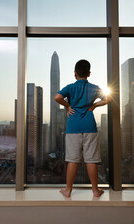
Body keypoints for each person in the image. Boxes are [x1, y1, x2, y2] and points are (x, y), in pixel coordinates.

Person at [54, 59, 112, 198]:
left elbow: (57, 97)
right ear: (89, 74)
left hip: (73, 127)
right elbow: (108, 99)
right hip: (89, 126)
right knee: (91, 160)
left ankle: (68, 190)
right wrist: (94, 105)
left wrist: (68, 106)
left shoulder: (71, 87)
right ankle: (95, 191)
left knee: (73, 160)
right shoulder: (94, 87)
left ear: (75, 73)